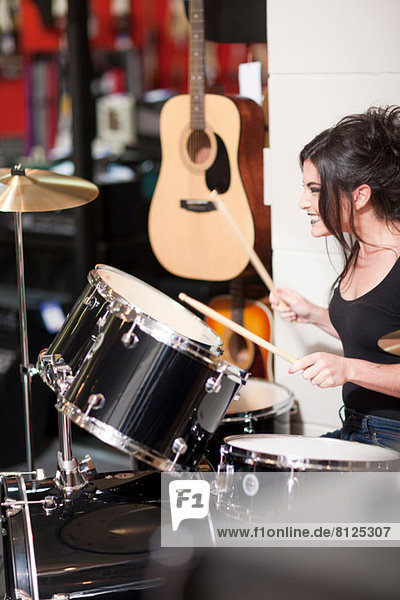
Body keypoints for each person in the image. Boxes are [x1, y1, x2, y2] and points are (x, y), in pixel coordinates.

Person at [270, 105, 400, 451]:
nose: (303, 202)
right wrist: (312, 314)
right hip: (357, 428)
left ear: (360, 196)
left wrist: (349, 369)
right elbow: (383, 335)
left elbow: (363, 357)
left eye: (314, 189)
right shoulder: (363, 246)